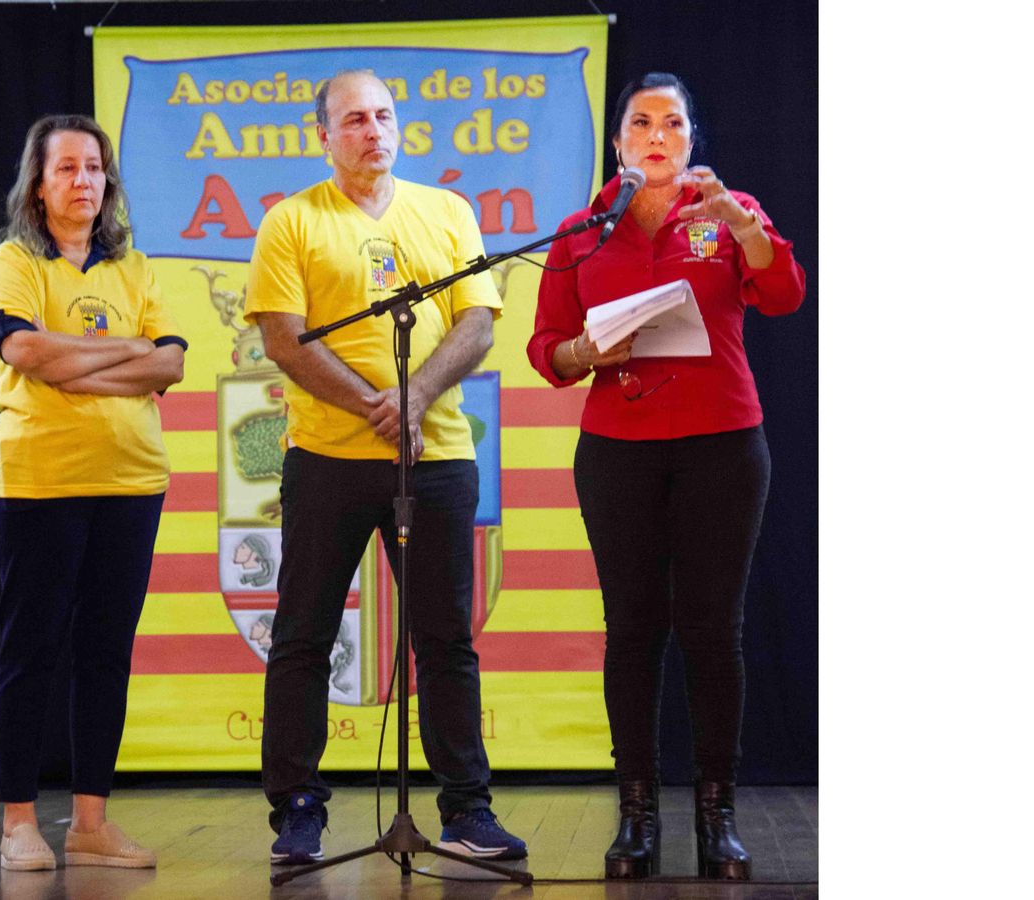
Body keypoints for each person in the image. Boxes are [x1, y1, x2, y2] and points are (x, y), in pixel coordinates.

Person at [527, 73, 806, 881]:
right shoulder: (582, 230)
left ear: (691, 140)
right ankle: (636, 814)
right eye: (641, 123)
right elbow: (547, 348)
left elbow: (784, 294)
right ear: (619, 142)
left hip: (723, 443)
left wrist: (744, 228)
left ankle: (717, 814)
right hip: (620, 448)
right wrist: (586, 352)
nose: (657, 135)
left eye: (673, 124)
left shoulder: (727, 212)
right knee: (635, 630)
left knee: (714, 631)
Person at [245, 69, 527, 865]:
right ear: (323, 136)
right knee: (302, 635)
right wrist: (377, 403)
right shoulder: (292, 222)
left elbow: (477, 322)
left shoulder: (446, 211)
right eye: (355, 120)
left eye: (385, 116)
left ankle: (467, 811)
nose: (374, 130)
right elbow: (283, 337)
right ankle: (298, 809)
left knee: (445, 640)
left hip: (435, 459)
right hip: (328, 459)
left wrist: (415, 397)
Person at [0, 114, 187, 871]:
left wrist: (79, 363)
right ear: (38, 185)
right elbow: (24, 349)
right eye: (66, 168)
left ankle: (91, 823)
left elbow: (169, 365)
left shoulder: (133, 270)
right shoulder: (13, 263)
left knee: (106, 653)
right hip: (41, 482)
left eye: (94, 168)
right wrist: (124, 349)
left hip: (132, 479)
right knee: (30, 651)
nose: (83, 182)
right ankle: (18, 823)